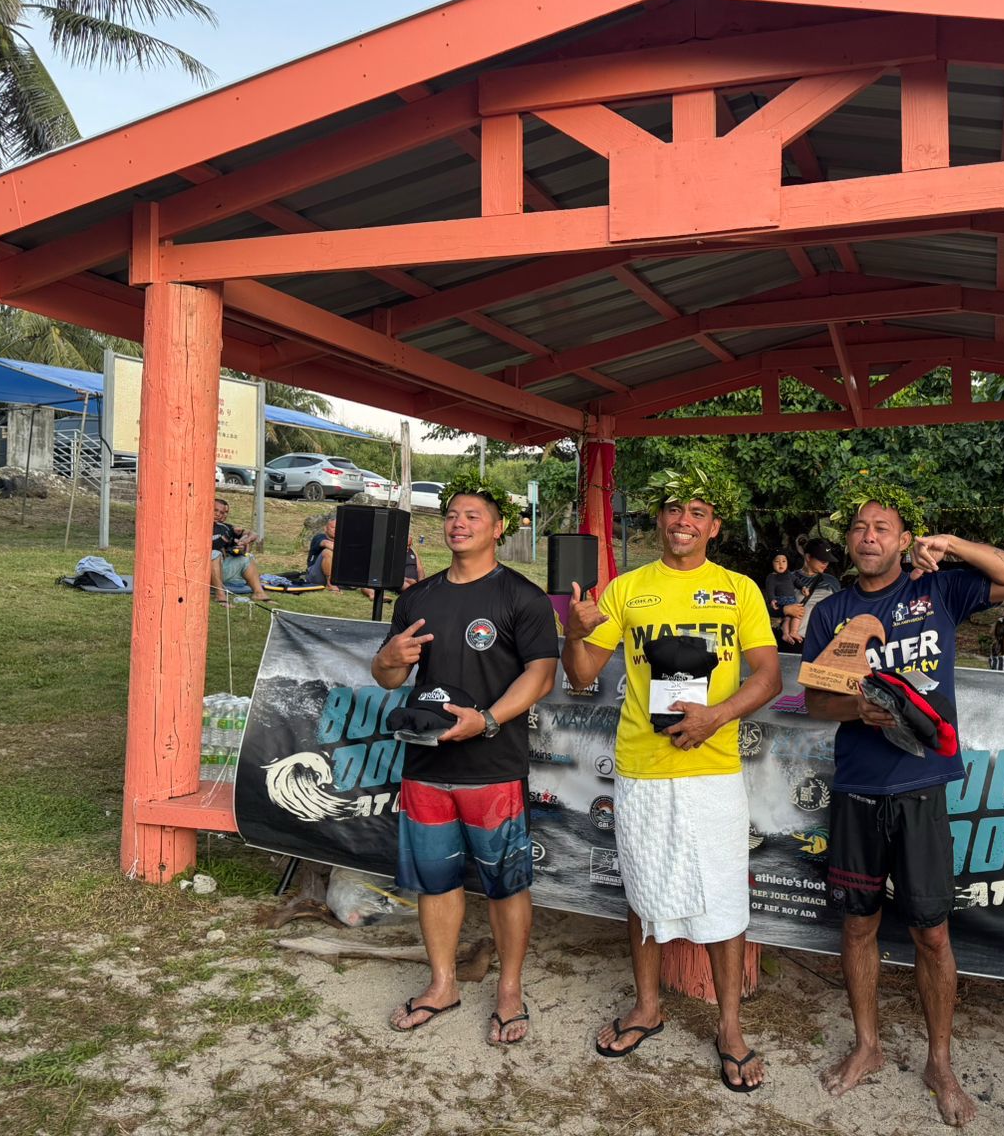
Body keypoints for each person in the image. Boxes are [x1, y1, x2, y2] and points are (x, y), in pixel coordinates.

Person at [802, 498, 1004, 1127]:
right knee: (858, 925)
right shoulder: (832, 612)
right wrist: (857, 710)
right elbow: (817, 702)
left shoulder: (938, 591)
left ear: (904, 540)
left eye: (882, 528)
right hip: (858, 785)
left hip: (922, 785)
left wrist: (952, 544)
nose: (868, 537)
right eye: (859, 528)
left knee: (932, 933)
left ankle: (940, 1064)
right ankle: (868, 1046)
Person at [562, 468, 782, 1092]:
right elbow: (581, 675)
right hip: (643, 768)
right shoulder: (627, 589)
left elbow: (769, 678)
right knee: (643, 890)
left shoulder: (738, 590)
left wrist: (717, 715)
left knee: (724, 897)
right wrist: (573, 634)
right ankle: (647, 1007)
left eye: (698, 511)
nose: (684, 520)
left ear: (714, 526)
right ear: (659, 519)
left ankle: (730, 1029)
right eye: (674, 509)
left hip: (712, 769)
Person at [369, 479, 559, 1046]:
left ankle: (509, 990)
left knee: (506, 885)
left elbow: (542, 675)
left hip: (493, 766)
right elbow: (390, 676)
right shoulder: (418, 598)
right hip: (425, 766)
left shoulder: (522, 597)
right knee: (436, 880)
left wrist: (489, 720)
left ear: (498, 529)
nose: (459, 523)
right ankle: (442, 984)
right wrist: (387, 658)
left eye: (474, 515)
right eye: (452, 514)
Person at [209, 497, 268, 602]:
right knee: (214, 553)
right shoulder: (198, 525)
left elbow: (252, 534)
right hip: (203, 570)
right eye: (215, 510)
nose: (218, 514)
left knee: (246, 558)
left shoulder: (225, 527)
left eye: (222, 512)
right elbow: (209, 547)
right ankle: (220, 595)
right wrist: (226, 537)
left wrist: (244, 543)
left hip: (221, 569)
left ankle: (259, 593)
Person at [781, 537, 841, 633]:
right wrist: (785, 609)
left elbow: (839, 611)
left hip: (822, 638)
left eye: (827, 560)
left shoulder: (831, 582)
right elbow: (770, 608)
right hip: (794, 638)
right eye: (822, 560)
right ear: (808, 557)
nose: (826, 564)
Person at [763, 552, 807, 645]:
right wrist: (772, 600)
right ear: (772, 563)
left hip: (792, 599)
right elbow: (770, 589)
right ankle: (790, 632)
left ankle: (789, 633)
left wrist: (803, 587)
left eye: (784, 561)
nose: (781, 564)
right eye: (777, 561)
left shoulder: (789, 575)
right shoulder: (771, 577)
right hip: (781, 600)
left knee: (792, 616)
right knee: (796, 614)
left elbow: (797, 581)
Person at [303, 513, 340, 590]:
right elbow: (327, 544)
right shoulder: (319, 537)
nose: (336, 530)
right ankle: (330, 583)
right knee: (327, 552)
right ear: (325, 528)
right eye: (333, 527)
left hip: (338, 574)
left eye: (339, 527)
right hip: (316, 576)